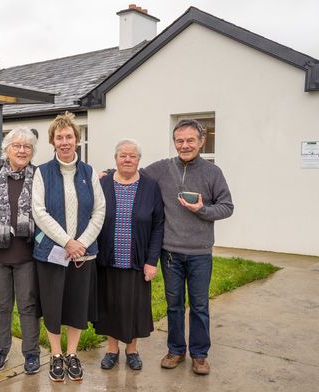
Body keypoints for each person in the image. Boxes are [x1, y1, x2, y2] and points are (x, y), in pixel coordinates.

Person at [143, 119, 234, 375]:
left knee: (199, 305)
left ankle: (200, 355)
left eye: (190, 140)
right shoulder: (162, 168)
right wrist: (108, 173)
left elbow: (227, 207)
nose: (185, 145)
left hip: (200, 253)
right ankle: (175, 350)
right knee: (174, 305)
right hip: (170, 252)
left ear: (201, 142)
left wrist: (202, 209)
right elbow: (134, 174)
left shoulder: (213, 172)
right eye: (180, 141)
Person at [32, 111, 105, 382]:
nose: (65, 142)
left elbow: (99, 210)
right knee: (52, 306)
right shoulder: (42, 173)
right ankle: (55, 354)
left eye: (69, 137)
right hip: (52, 254)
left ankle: (72, 354)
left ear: (77, 139)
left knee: (76, 305)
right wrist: (67, 242)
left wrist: (81, 244)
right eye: (59, 137)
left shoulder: (88, 172)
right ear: (53, 141)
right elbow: (39, 212)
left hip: (83, 255)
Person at [94, 139, 164, 370]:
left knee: (134, 306)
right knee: (109, 305)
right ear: (115, 159)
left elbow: (158, 226)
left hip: (137, 260)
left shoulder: (150, 186)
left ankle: (132, 350)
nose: (127, 159)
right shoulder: (103, 184)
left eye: (132, 156)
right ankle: (111, 350)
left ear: (138, 160)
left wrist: (151, 261)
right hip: (107, 259)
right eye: (122, 155)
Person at [0, 127, 41, 375]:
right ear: (7, 148)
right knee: (0, 304)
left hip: (27, 254)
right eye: (17, 145)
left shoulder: (39, 176)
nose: (22, 150)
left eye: (27, 147)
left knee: (28, 305)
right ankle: (1, 349)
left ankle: (31, 353)